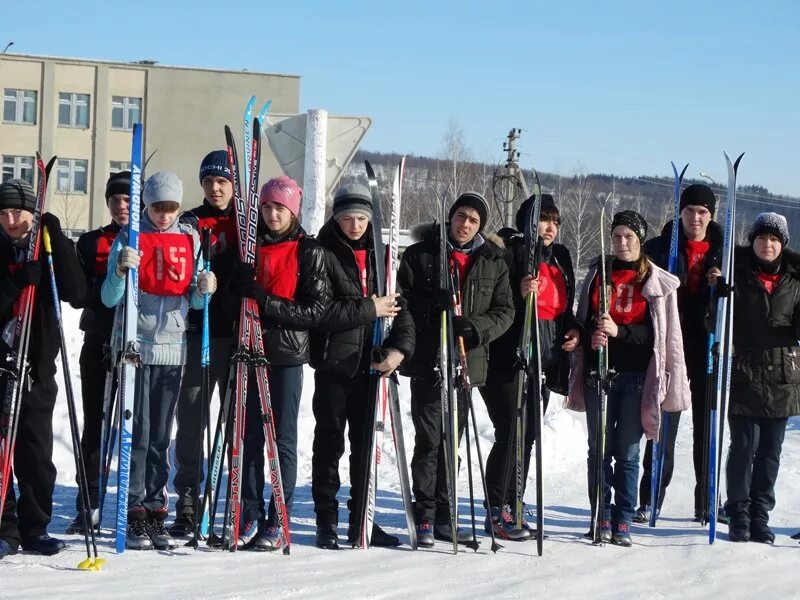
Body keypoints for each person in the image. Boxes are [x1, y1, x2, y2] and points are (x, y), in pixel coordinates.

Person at [101, 171, 216, 550]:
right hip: (136, 348)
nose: (164, 215)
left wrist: (204, 289)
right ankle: (132, 508)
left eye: (170, 207)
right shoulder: (130, 235)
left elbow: (195, 302)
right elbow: (108, 297)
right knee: (139, 433)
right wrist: (120, 269)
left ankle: (155, 508)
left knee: (160, 437)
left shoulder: (189, 237)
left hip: (172, 347)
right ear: (146, 205)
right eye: (156, 207)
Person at [397, 191, 514, 547]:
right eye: (461, 216)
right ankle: (427, 516)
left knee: (452, 441)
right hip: (429, 360)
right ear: (450, 217)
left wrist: (475, 328)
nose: (465, 224)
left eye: (473, 220)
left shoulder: (493, 260)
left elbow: (505, 311)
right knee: (430, 441)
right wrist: (432, 308)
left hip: (465, 362)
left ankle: (447, 516)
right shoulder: (421, 255)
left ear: (481, 226)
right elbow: (401, 301)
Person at [566, 210, 689, 547]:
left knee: (629, 452)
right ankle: (600, 516)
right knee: (599, 450)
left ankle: (622, 518)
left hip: (635, 378)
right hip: (598, 375)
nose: (622, 243)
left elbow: (659, 336)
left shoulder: (655, 281)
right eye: (617, 236)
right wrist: (583, 335)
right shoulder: (597, 275)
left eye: (629, 237)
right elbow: (585, 319)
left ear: (640, 240)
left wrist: (619, 331)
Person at [309, 183, 415, 549]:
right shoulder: (321, 252)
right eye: (347, 218)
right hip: (335, 364)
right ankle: (327, 519)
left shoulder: (382, 255)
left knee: (367, 446)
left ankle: (362, 519)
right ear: (336, 218)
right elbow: (321, 312)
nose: (355, 225)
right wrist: (370, 308)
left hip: (371, 366)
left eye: (361, 218)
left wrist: (399, 350)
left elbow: (400, 308)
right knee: (329, 442)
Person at [229, 175, 330, 551]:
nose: (273, 214)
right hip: (249, 351)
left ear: (293, 212)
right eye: (268, 207)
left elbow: (314, 311)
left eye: (280, 209)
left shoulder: (309, 250)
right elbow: (234, 296)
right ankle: (250, 511)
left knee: (282, 437)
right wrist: (237, 285)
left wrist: (265, 301)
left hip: (286, 355)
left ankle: (278, 516)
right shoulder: (249, 247)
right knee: (250, 435)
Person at [479, 194, 579, 540]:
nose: (549, 227)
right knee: (511, 433)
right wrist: (518, 290)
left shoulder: (561, 257)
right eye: (542, 219)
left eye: (555, 221)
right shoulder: (510, 250)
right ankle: (498, 508)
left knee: (529, 435)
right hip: (508, 359)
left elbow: (566, 308)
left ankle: (513, 502)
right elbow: (493, 299)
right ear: (526, 221)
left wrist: (574, 331)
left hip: (544, 361)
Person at [0, 179, 86, 557]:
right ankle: (6, 529)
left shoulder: (46, 242)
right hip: (1, 365)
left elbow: (77, 293)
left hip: (35, 365)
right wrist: (16, 281)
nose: (9, 220)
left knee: (35, 454)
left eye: (16, 212)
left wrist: (57, 240)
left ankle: (36, 528)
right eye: (2, 213)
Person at [634, 184, 723, 522]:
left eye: (702, 212)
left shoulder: (725, 252)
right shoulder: (659, 247)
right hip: (670, 345)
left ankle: (706, 503)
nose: (695, 218)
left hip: (706, 345)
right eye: (689, 211)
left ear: (710, 215)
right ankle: (650, 498)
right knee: (663, 425)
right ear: (680, 212)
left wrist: (723, 284)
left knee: (705, 428)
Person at [170, 151, 239, 537]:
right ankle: (188, 499)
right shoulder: (189, 222)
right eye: (210, 182)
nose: (215, 188)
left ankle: (233, 496)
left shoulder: (248, 222)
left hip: (237, 334)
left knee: (235, 422)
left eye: (223, 182)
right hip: (198, 332)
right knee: (193, 415)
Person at [724, 213, 800, 544]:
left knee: (770, 451)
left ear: (782, 244)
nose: (767, 245)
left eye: (773, 239)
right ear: (752, 242)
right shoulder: (736, 276)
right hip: (745, 372)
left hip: (783, 376)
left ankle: (759, 514)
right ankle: (738, 511)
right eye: (761, 238)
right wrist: (719, 294)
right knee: (743, 446)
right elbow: (717, 321)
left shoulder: (796, 281)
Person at [64, 170, 131, 535]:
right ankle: (87, 504)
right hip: (100, 341)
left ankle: (136, 504)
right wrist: (109, 281)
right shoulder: (92, 242)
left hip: (139, 344)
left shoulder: (151, 239)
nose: (122, 206)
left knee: (139, 426)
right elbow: (79, 293)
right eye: (115, 200)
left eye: (127, 199)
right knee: (96, 425)